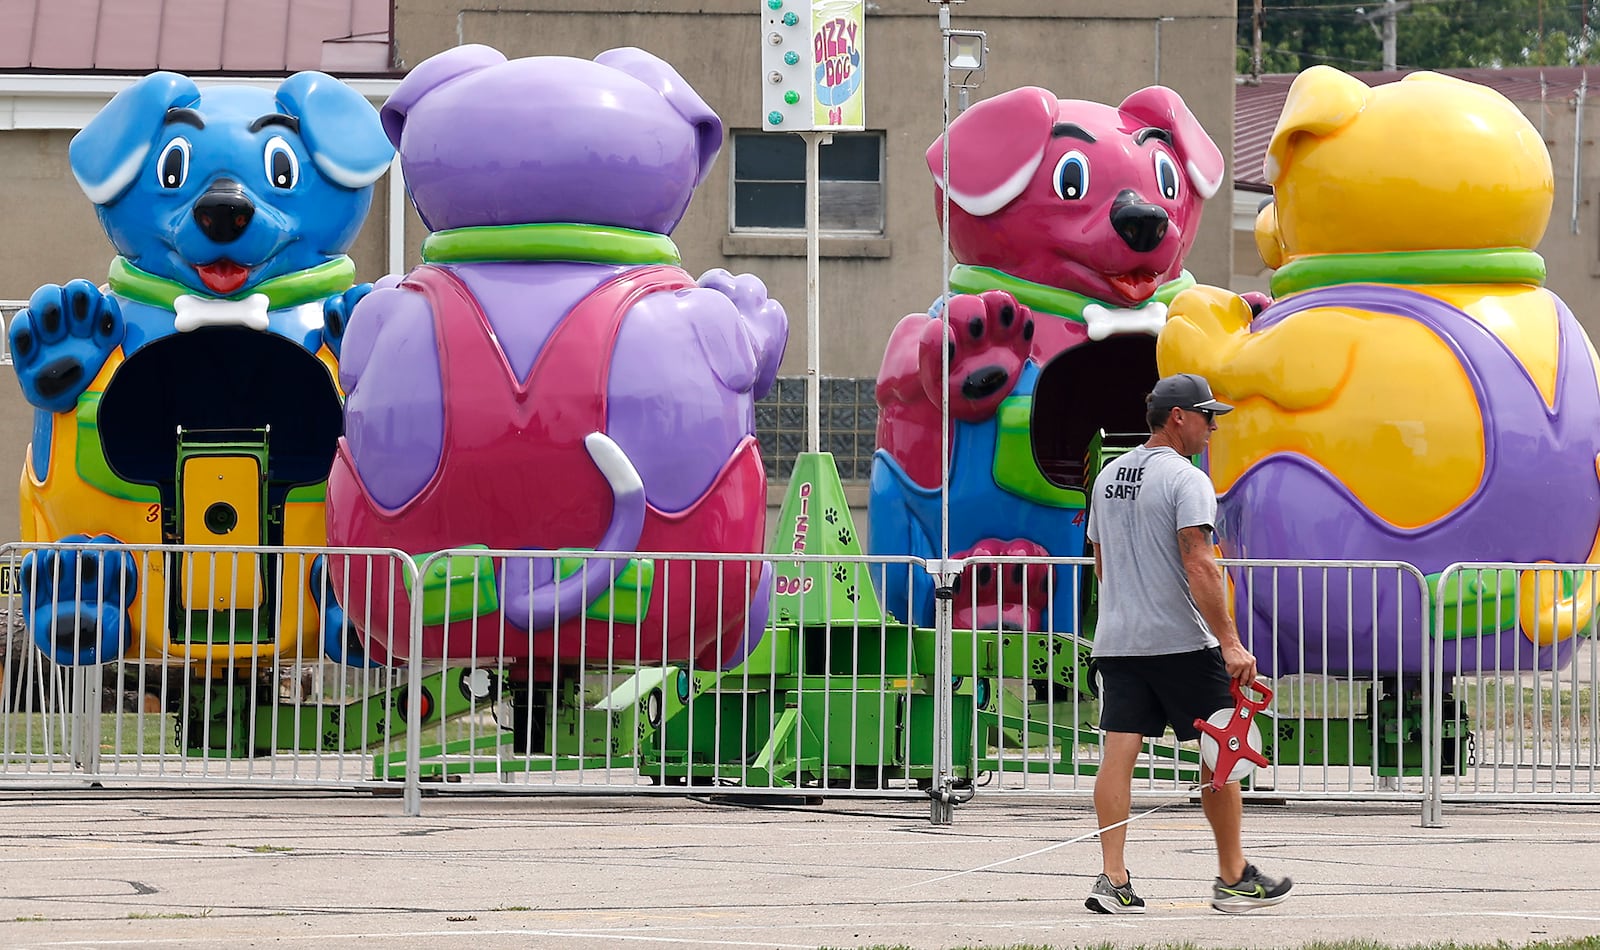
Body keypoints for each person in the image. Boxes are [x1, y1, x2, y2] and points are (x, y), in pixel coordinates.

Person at [1081, 372, 1293, 915]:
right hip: (1181, 641)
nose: (1214, 428)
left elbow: (1102, 565)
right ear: (1179, 417)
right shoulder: (1186, 478)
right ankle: (1233, 877)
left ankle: (1114, 878)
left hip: (1119, 640)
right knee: (1220, 752)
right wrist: (1230, 642)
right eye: (1208, 416)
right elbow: (1199, 561)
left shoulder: (1108, 476)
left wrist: (1133, 607)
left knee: (1119, 753)